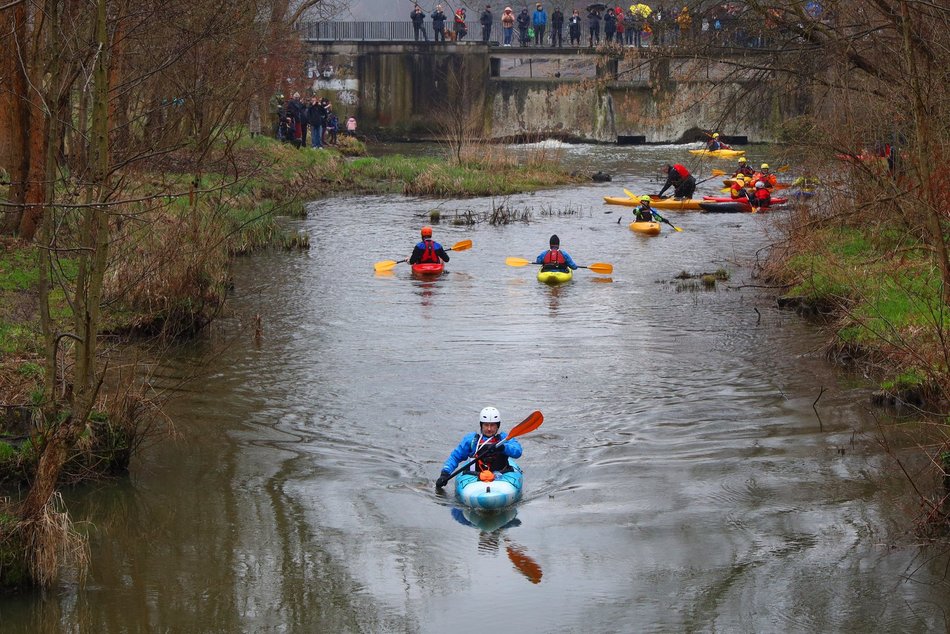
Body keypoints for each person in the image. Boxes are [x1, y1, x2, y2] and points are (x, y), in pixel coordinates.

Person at [435, 407, 523, 488]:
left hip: (501, 474)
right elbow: (455, 457)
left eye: (492, 425)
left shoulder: (504, 438)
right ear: (481, 425)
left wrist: (503, 448)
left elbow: (518, 452)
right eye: (486, 425)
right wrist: (445, 473)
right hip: (475, 475)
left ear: (497, 426)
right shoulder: (472, 440)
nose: (489, 429)